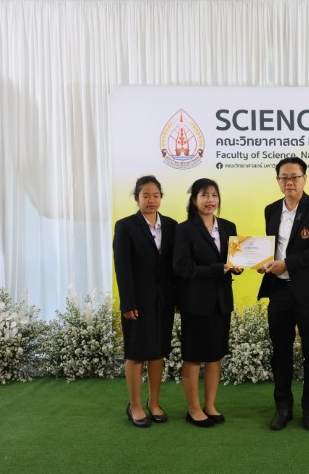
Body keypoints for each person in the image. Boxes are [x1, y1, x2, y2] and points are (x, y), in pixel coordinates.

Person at [257, 157, 309, 431]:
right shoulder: (271, 209)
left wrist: (287, 264)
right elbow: (271, 248)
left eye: (294, 177)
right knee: (280, 352)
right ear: (278, 180)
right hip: (279, 290)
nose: (289, 182)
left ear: (304, 179)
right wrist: (263, 263)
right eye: (284, 178)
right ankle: (283, 408)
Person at [173, 178, 242, 428]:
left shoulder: (228, 226)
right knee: (193, 356)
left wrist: (237, 267)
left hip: (221, 301)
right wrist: (216, 269)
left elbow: (233, 259)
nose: (210, 200)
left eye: (214, 195)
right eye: (204, 195)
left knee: (215, 355)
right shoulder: (184, 229)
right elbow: (181, 267)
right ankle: (193, 409)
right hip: (195, 301)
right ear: (194, 200)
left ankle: (210, 405)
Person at [113, 175, 177, 428]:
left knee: (158, 352)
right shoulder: (126, 226)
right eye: (146, 195)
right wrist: (127, 302)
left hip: (164, 301)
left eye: (156, 195)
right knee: (136, 353)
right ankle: (135, 405)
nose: (151, 200)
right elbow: (122, 268)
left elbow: (174, 267)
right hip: (137, 302)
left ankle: (154, 402)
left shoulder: (171, 226)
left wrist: (177, 298)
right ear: (136, 198)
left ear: (161, 197)